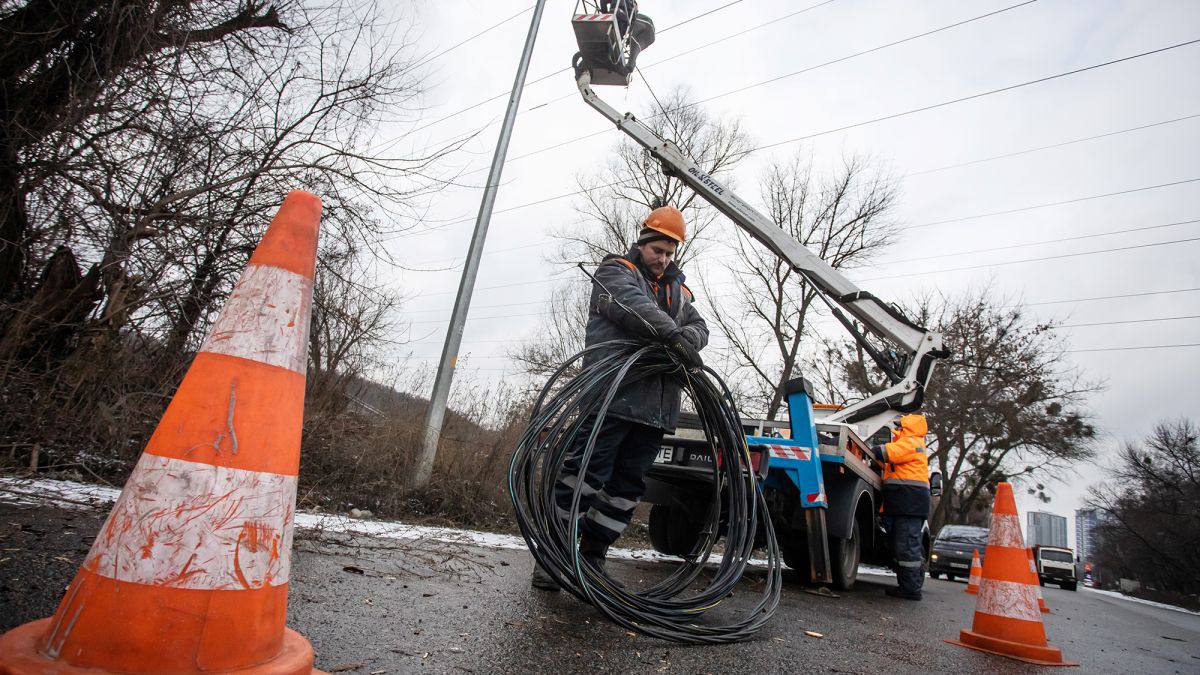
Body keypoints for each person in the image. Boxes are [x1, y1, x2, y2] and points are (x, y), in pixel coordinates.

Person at [533, 205, 709, 591]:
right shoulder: (616, 272)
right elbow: (635, 308)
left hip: (656, 410)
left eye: (669, 252)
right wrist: (675, 338)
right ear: (643, 243)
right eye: (656, 250)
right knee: (585, 477)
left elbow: (700, 327)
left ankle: (593, 556)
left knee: (626, 488)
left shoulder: (679, 293)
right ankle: (552, 556)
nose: (662, 258)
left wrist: (687, 339)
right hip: (611, 399)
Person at [871, 414, 931, 600]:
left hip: (908, 505)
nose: (897, 429)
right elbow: (888, 462)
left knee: (906, 548)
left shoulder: (911, 443)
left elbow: (884, 453)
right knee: (903, 547)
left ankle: (911, 589)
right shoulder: (910, 445)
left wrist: (869, 449)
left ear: (909, 428)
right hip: (905, 505)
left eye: (900, 427)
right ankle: (907, 586)